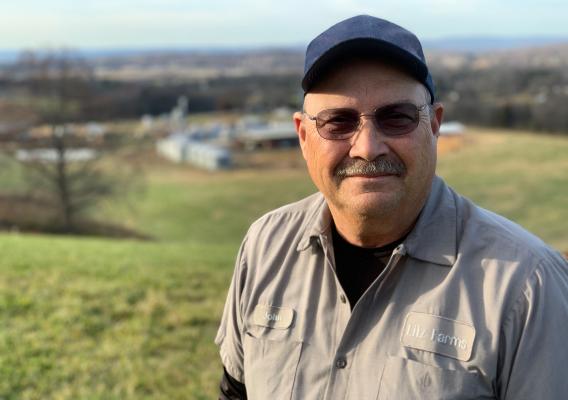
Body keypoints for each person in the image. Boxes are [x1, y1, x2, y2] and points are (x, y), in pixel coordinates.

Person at [215, 15, 568, 400]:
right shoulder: (265, 246)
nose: (367, 147)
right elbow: (236, 389)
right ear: (303, 135)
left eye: (396, 118)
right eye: (338, 122)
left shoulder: (528, 286)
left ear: (434, 126)